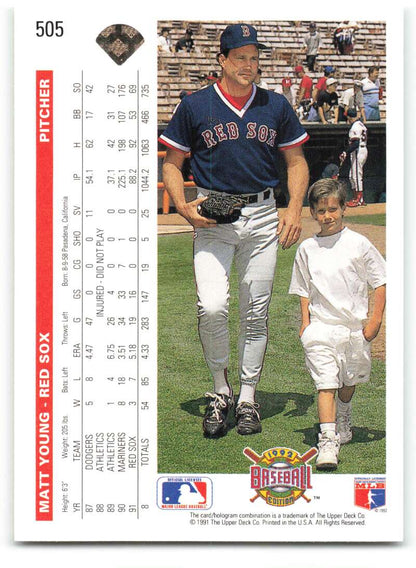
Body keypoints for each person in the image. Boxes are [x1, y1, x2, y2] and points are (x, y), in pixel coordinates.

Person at [159, 23, 309, 438]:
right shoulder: (195, 105)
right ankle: (219, 390)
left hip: (262, 216)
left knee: (256, 311)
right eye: (240, 57)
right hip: (212, 216)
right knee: (211, 307)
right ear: (222, 61)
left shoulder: (275, 105)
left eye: (254, 58)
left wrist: (294, 208)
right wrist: (186, 210)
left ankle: (246, 397)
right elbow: (172, 163)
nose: (248, 65)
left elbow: (296, 162)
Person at [289, 178, 386, 470]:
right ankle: (327, 441)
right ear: (312, 213)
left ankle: (344, 410)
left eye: (333, 209)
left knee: (347, 382)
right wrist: (306, 323)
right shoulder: (307, 248)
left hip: (353, 328)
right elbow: (304, 288)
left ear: (344, 208)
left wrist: (375, 320)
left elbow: (381, 281)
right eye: (320, 210)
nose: (327, 216)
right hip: (320, 327)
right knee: (326, 384)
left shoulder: (358, 244)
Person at [339, 108, 368, 207]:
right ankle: (357, 198)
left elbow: (356, 143)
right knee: (352, 175)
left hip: (358, 151)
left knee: (356, 176)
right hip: (361, 150)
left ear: (349, 117)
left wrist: (345, 152)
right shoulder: (361, 124)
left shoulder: (355, 127)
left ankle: (359, 200)